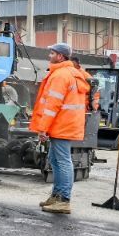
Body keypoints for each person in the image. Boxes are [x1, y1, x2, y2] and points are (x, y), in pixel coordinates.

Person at [28, 42, 88, 214]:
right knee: (55, 160)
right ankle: (57, 195)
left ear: (60, 56)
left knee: (62, 161)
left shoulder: (60, 75)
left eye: (52, 53)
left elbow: (52, 105)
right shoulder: (71, 73)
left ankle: (63, 199)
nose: (49, 56)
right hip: (65, 124)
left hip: (61, 125)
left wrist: (42, 128)